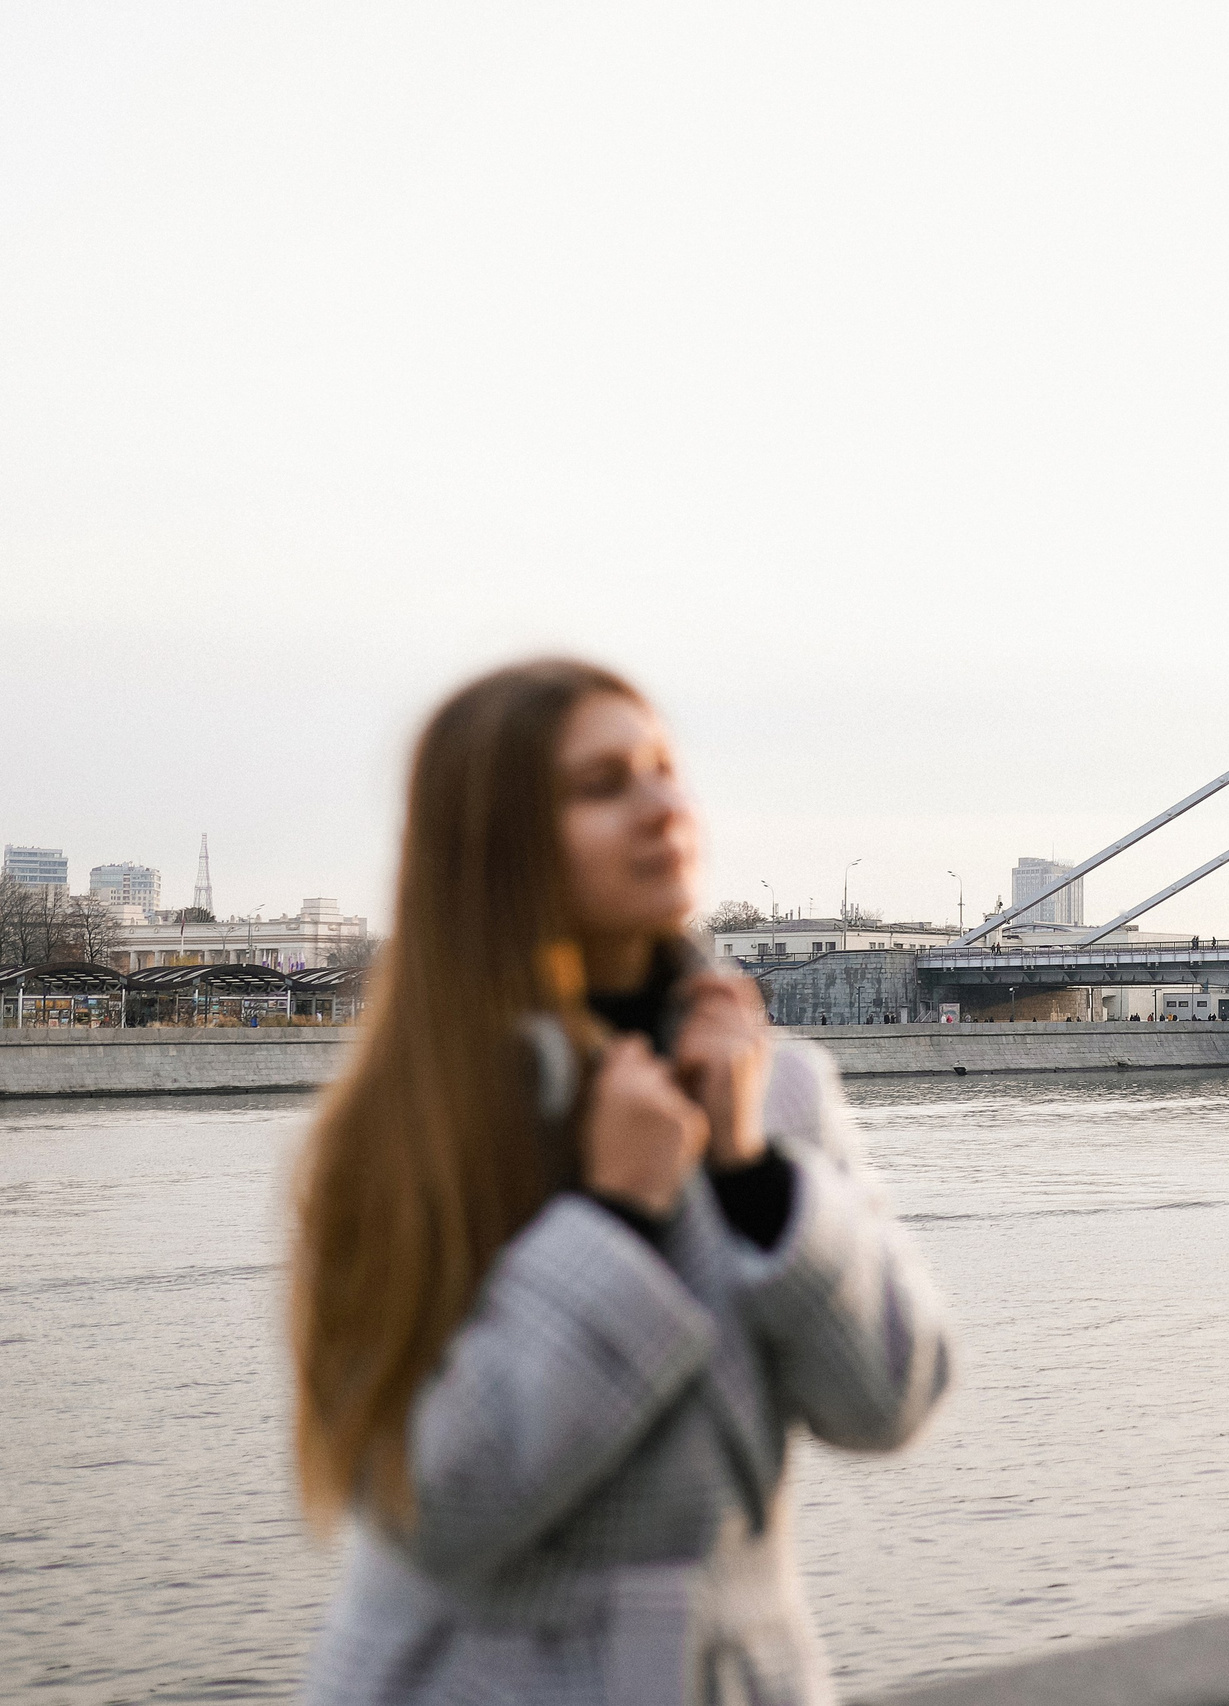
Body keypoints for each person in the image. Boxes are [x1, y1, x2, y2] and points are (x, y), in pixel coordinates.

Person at [291, 659, 951, 1704]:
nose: (662, 807)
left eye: (663, 771)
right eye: (604, 786)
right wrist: (615, 1218)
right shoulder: (410, 1118)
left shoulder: (774, 1088)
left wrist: (751, 1178)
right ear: (496, 849)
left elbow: (891, 1401)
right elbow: (432, 1510)